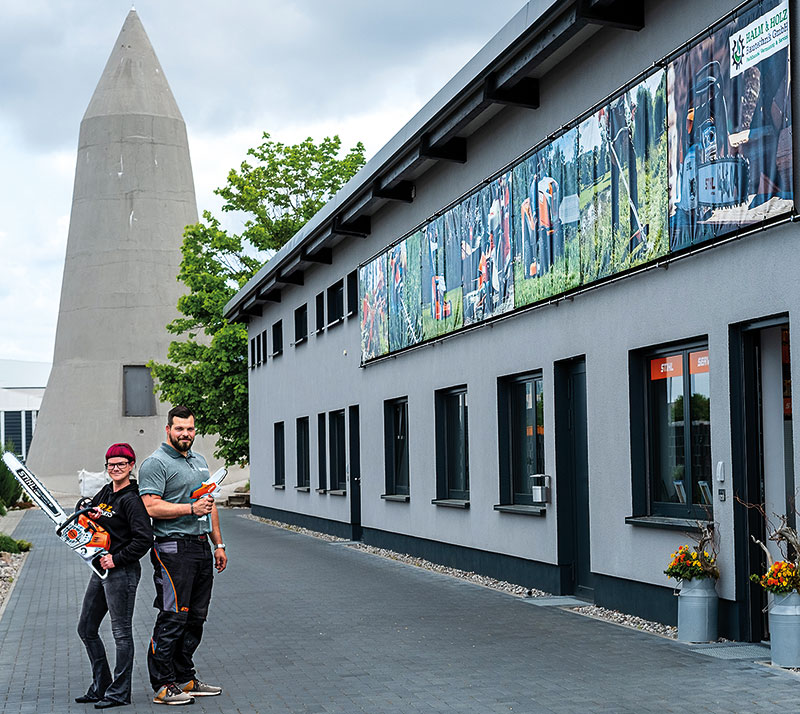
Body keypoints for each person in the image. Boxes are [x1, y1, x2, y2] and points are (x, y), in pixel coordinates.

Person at [138, 405, 227, 706]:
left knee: (196, 618)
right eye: (179, 429)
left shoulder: (199, 461)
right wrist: (190, 509)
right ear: (168, 430)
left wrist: (219, 544)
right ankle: (163, 684)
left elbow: (209, 504)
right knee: (174, 616)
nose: (185, 434)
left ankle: (184, 676)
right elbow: (150, 506)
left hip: (201, 546)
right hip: (172, 549)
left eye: (189, 429)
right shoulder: (156, 463)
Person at [75, 443, 153, 709]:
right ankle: (102, 686)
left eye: (121, 464)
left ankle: (120, 692)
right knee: (86, 628)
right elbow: (92, 516)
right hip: (102, 569)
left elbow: (144, 539)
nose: (115, 469)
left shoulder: (132, 499)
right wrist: (91, 512)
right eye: (111, 465)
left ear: (131, 466)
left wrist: (116, 558)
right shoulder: (107, 491)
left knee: (121, 633)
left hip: (123, 571)